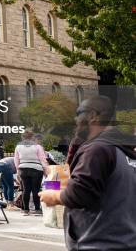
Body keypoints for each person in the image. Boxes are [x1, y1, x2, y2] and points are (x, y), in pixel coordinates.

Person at [39, 96, 136, 250]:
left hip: (97, 243)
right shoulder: (122, 150)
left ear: (92, 116)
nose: (75, 118)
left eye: (79, 113)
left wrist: (52, 196)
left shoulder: (98, 149)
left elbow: (80, 193)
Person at [14, 130, 48, 216]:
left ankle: (26, 210)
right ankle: (37, 210)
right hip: (36, 169)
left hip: (23, 169)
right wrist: (46, 171)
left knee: (26, 190)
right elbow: (43, 160)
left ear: (23, 137)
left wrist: (18, 171)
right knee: (36, 190)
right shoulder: (37, 147)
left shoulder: (18, 147)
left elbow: (16, 160)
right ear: (32, 137)